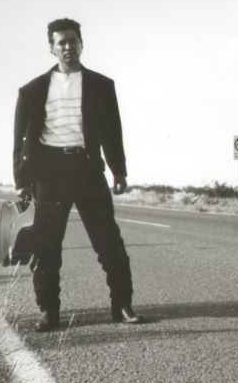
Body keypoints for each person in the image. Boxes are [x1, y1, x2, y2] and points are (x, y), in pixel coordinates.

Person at [13, 18, 143, 332]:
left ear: (81, 43)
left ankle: (122, 305)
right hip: (50, 173)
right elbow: (21, 141)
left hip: (87, 170)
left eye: (73, 41)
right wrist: (22, 181)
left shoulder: (101, 85)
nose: (68, 47)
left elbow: (113, 133)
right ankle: (49, 312)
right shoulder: (32, 90)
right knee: (46, 247)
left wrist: (119, 171)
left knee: (108, 242)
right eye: (62, 43)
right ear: (51, 48)